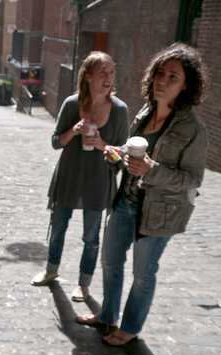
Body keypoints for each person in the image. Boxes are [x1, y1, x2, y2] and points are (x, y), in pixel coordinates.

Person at [76, 43, 208, 346]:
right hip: (126, 201)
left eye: (173, 77)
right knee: (110, 261)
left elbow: (192, 180)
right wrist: (114, 152)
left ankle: (130, 328)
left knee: (143, 274)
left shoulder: (194, 130)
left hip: (160, 212)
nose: (162, 81)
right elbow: (132, 151)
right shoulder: (146, 112)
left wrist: (151, 169)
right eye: (160, 74)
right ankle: (107, 316)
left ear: (186, 85)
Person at [31, 52, 129, 303]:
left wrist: (101, 144)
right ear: (87, 77)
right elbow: (55, 142)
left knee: (91, 238)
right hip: (69, 177)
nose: (108, 78)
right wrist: (72, 131)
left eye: (111, 72)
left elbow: (121, 153)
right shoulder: (72, 104)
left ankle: (83, 285)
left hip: (98, 182)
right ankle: (51, 270)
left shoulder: (119, 110)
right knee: (58, 228)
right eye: (102, 73)